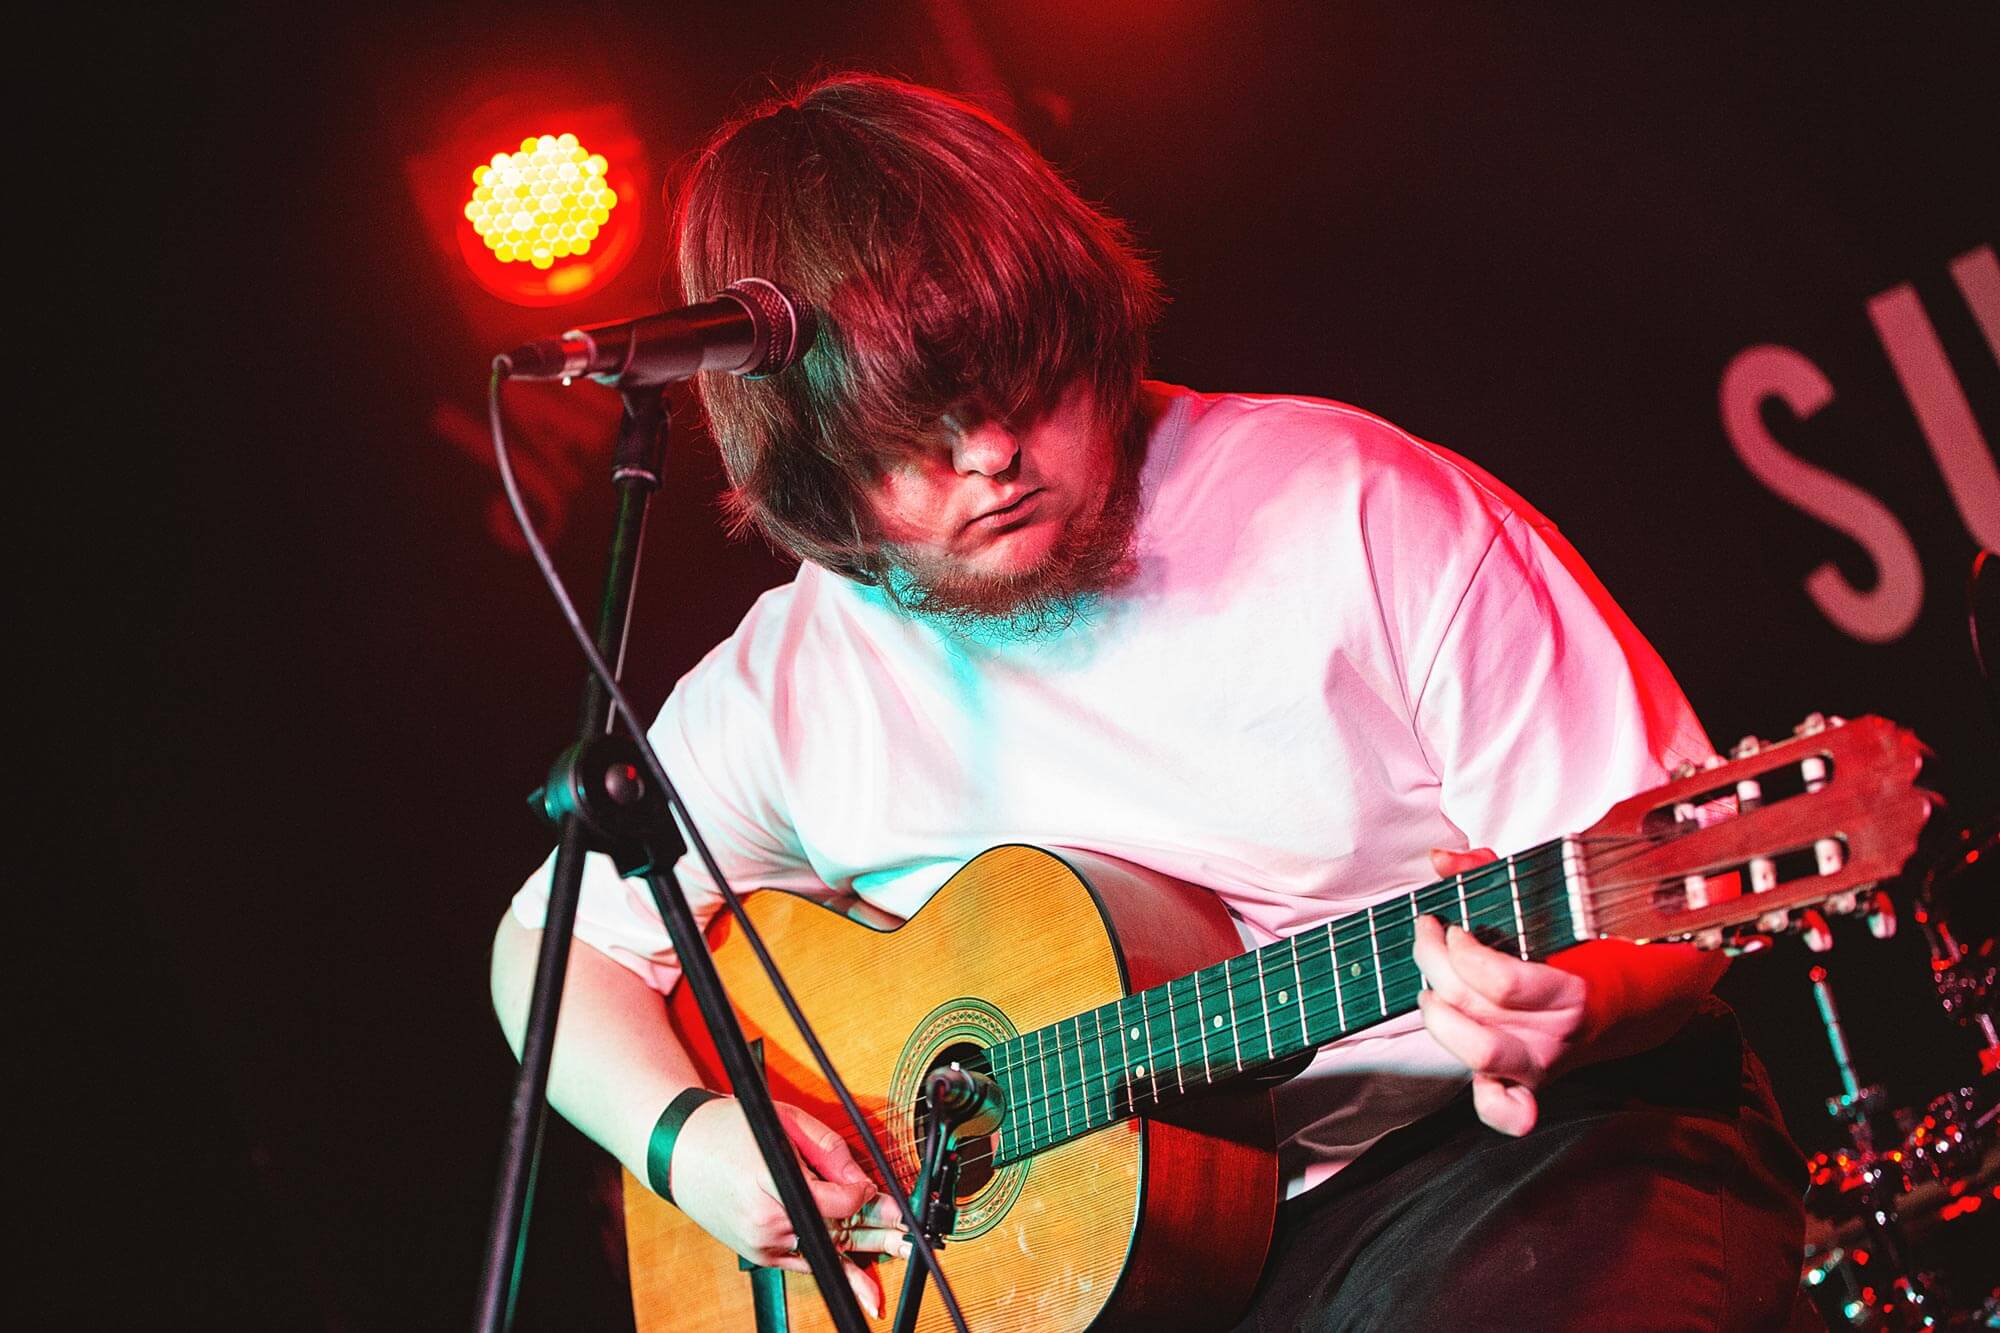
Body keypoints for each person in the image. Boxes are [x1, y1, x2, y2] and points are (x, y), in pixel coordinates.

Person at [491, 75, 1807, 1328]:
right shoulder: (789, 686)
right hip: (1157, 1274)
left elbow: (1676, 878)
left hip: (1509, 1160)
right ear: (815, 467)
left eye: (1022, 378)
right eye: (912, 434)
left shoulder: (1347, 506)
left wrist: (1578, 999)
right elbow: (550, 956)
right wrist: (693, 1141)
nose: (989, 450)